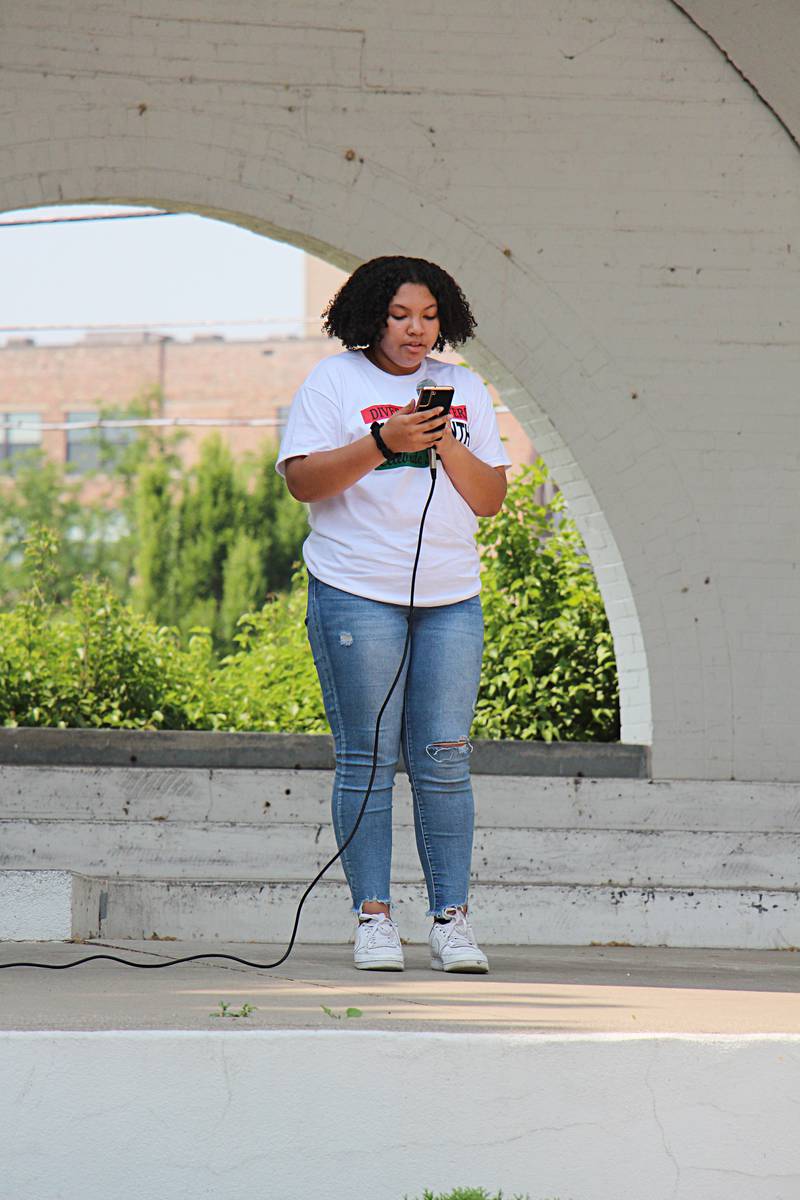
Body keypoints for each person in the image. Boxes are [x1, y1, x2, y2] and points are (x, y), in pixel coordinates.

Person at [276, 255, 510, 973]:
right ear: (372, 313)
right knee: (369, 757)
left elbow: (490, 497)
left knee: (444, 758)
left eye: (430, 316)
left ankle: (451, 919)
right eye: (402, 315)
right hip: (355, 589)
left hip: (450, 597)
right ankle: (373, 917)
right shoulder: (335, 381)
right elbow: (301, 480)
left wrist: (440, 439)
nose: (417, 330)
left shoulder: (462, 387)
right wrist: (384, 442)